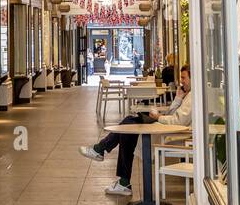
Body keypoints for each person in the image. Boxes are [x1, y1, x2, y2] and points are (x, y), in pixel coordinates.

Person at [79, 65, 192, 198]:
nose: (181, 81)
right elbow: (172, 115)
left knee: (128, 127)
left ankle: (104, 154)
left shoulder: (192, 97)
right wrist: (178, 99)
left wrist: (158, 117)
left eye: (184, 78)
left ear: (193, 78)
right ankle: (110, 162)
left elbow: (177, 121)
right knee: (128, 127)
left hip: (173, 134)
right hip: (167, 128)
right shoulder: (188, 95)